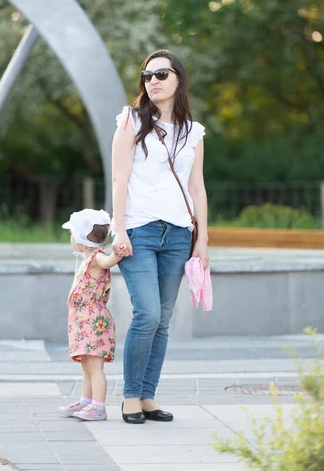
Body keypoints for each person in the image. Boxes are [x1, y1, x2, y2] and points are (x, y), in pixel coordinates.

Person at [111, 49, 209, 424]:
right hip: (140, 230)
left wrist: (202, 241)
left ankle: (148, 396)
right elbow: (120, 179)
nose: (153, 80)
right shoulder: (131, 121)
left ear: (178, 79)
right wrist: (120, 229)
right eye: (147, 76)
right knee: (147, 313)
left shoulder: (192, 132)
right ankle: (130, 396)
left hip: (180, 235)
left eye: (161, 74)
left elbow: (197, 188)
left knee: (164, 319)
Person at [58, 209, 126, 422]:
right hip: (82, 321)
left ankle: (99, 406)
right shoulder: (88, 259)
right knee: (87, 366)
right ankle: (86, 401)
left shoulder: (97, 258)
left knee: (95, 367)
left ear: (80, 238)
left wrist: (117, 253)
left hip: (93, 321)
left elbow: (109, 262)